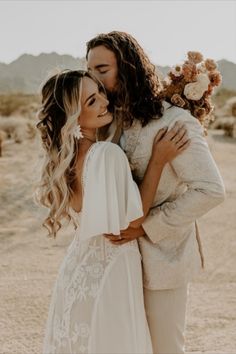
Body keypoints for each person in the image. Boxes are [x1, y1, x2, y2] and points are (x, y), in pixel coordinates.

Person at [86, 31, 226, 354]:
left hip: (164, 264)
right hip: (120, 265)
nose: (95, 79)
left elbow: (211, 190)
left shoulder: (174, 122)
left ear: (128, 68)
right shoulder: (109, 123)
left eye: (102, 70)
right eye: (90, 70)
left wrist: (147, 225)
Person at [36, 69, 189, 354]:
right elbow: (133, 219)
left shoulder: (68, 160)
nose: (104, 102)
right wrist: (158, 160)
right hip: (110, 273)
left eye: (100, 93)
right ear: (73, 115)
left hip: (77, 275)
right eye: (91, 101)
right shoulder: (105, 154)